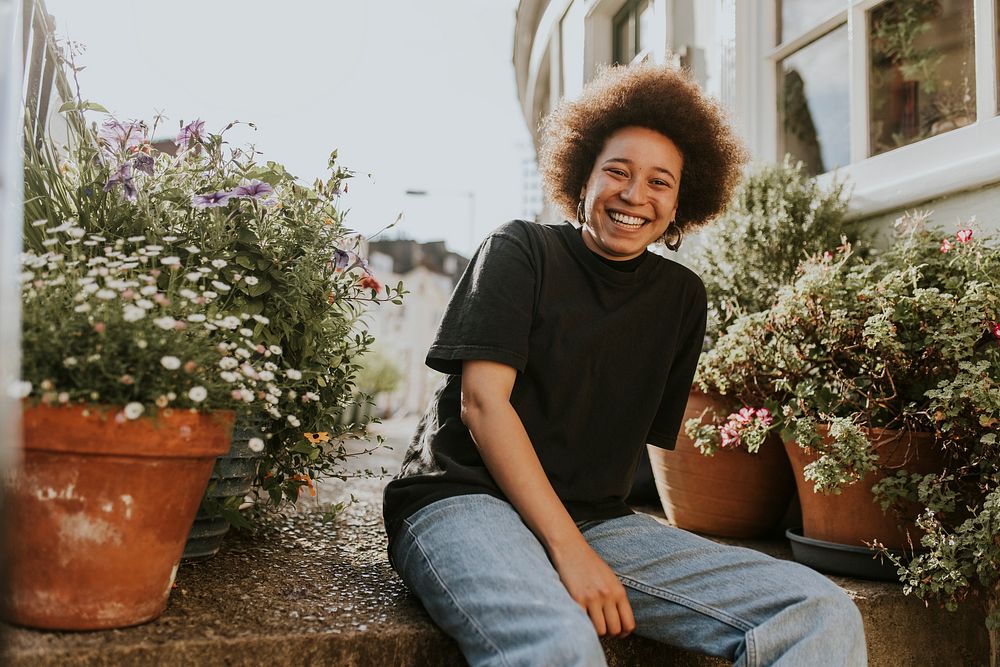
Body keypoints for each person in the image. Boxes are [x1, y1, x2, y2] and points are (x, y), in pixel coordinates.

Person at [382, 63, 867, 667]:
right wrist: (568, 552)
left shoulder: (682, 297)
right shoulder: (520, 250)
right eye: (617, 170)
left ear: (680, 202)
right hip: (465, 501)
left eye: (660, 181)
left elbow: (634, 454)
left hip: (597, 524)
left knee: (819, 610)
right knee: (561, 645)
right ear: (580, 177)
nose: (636, 195)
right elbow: (482, 403)